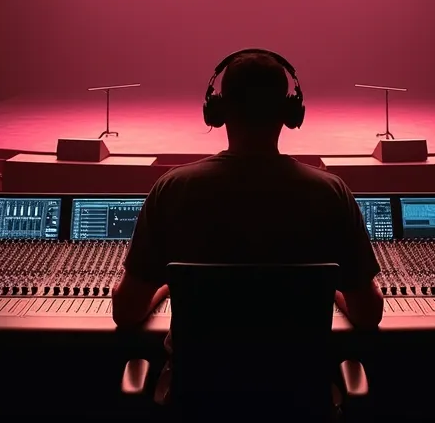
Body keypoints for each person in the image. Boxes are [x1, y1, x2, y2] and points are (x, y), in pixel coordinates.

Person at [112, 50, 384, 334]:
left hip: (197, 379)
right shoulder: (331, 193)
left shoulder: (172, 189)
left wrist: (171, 283)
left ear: (217, 110)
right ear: (290, 112)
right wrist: (327, 287)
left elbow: (127, 312)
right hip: (300, 380)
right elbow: (367, 314)